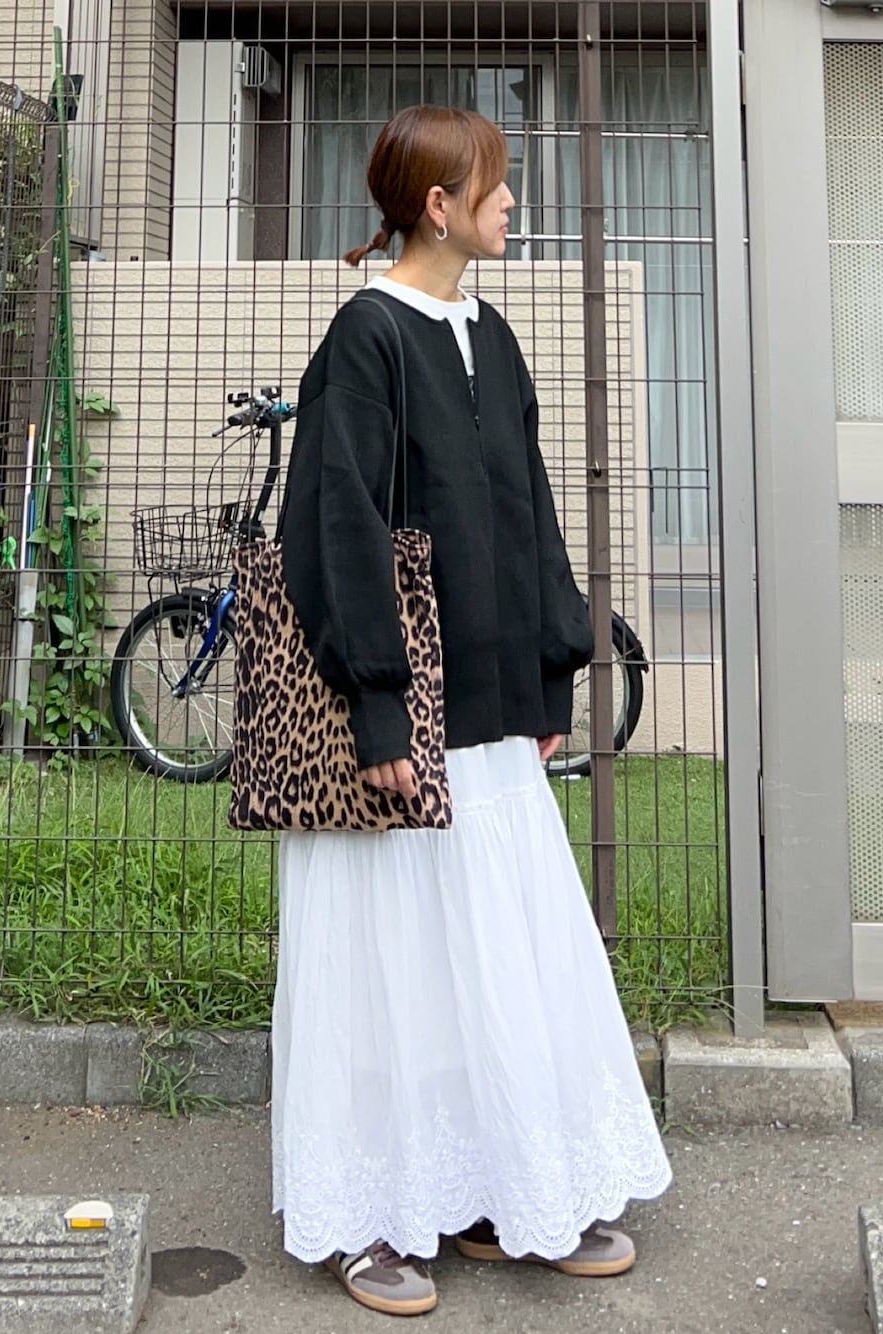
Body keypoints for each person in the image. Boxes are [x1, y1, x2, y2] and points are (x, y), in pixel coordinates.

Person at [272, 104, 672, 1318]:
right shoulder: (365, 336)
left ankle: (502, 1190)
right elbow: (334, 528)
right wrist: (379, 712)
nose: (511, 203)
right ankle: (368, 1217)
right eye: (494, 187)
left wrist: (550, 673)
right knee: (389, 962)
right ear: (437, 206)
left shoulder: (488, 333)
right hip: (400, 717)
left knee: (497, 953)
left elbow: (528, 513)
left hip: (493, 711)